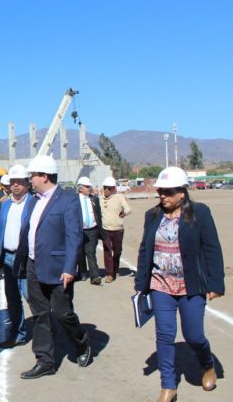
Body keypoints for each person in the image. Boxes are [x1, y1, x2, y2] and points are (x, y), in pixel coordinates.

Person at [135, 167, 224, 402]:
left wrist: (215, 284)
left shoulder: (200, 213)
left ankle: (208, 365)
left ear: (182, 192)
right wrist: (140, 282)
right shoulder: (152, 215)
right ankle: (168, 386)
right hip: (160, 285)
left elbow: (212, 249)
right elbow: (145, 249)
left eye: (168, 192)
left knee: (194, 335)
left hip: (191, 286)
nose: (163, 196)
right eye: (160, 192)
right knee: (164, 335)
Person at [15, 155, 92, 379]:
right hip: (33, 264)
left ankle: (82, 343)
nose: (30, 180)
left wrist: (70, 268)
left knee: (62, 313)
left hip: (58, 268)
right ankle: (45, 360)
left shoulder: (67, 200)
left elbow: (74, 237)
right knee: (40, 314)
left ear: (44, 176)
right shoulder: (34, 199)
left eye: (33, 176)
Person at [0, 164, 35, 348]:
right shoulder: (5, 205)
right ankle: (18, 334)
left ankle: (46, 331)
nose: (16, 185)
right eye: (13, 182)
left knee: (32, 297)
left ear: (27, 183)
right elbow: (0, 231)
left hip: (26, 258)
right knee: (12, 299)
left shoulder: (34, 203)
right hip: (8, 258)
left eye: (20, 182)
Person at [100, 176, 132, 283]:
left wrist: (124, 212)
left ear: (114, 188)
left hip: (118, 230)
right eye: (105, 188)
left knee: (117, 251)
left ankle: (116, 268)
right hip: (105, 230)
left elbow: (128, 208)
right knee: (107, 251)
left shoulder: (119, 197)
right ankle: (109, 274)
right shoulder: (100, 199)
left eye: (109, 188)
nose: (107, 190)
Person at [76, 177, 103, 285]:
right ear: (80, 188)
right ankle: (82, 272)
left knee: (90, 252)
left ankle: (95, 276)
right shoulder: (74, 199)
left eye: (89, 186)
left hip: (92, 230)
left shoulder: (94, 199)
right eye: (87, 187)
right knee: (80, 253)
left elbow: (98, 214)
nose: (89, 188)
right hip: (79, 230)